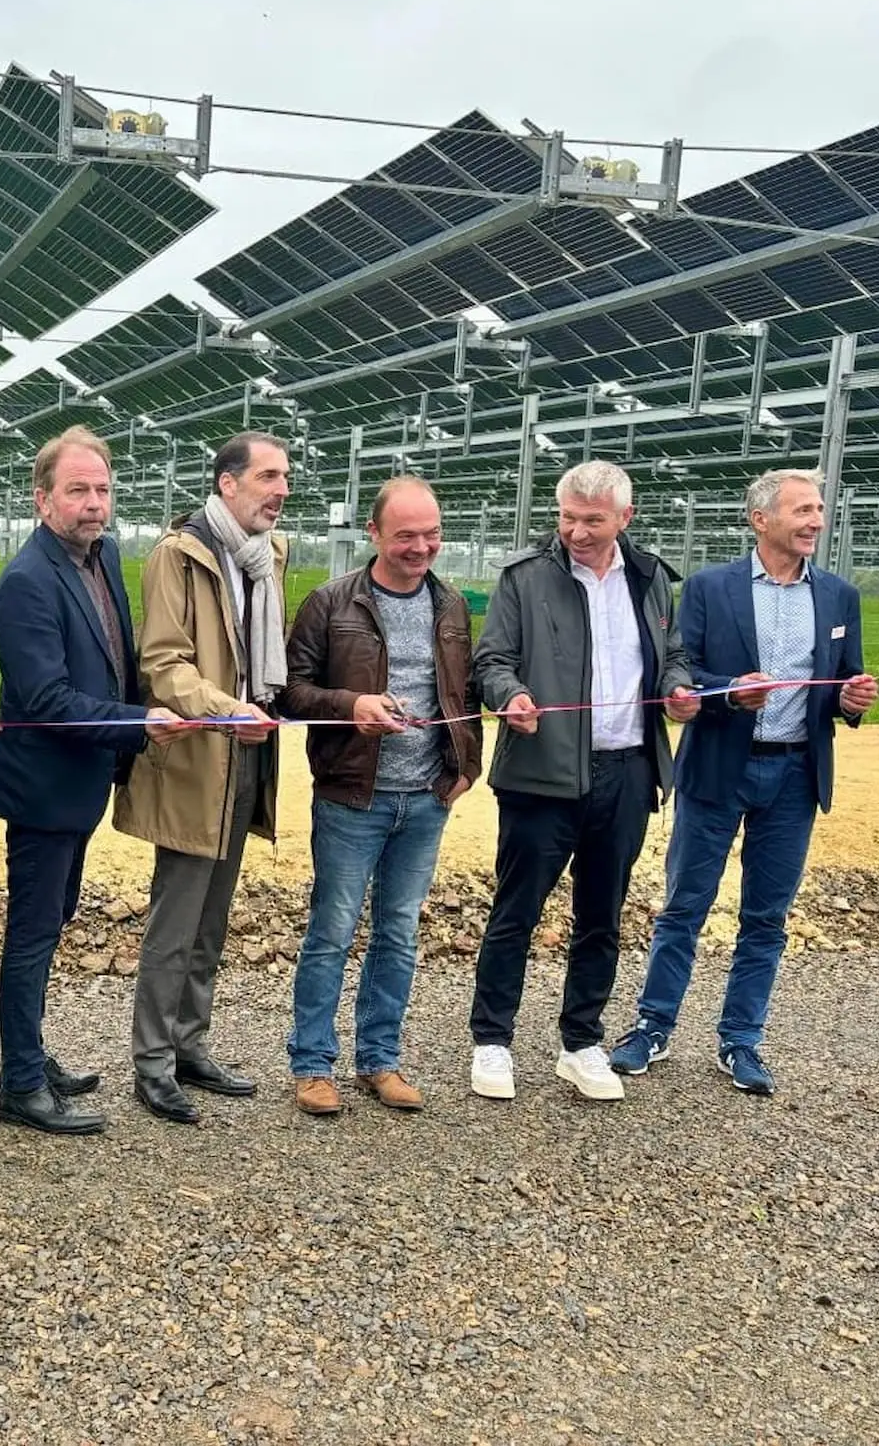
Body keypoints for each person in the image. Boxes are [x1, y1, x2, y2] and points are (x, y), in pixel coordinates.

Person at [610, 470, 877, 1095]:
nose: (815, 520)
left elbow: (842, 684)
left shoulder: (839, 595)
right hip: (720, 767)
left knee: (767, 916)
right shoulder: (708, 588)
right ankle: (653, 1025)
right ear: (761, 519)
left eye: (818, 510)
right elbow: (683, 670)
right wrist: (728, 693)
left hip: (794, 775)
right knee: (685, 905)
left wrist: (853, 698)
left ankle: (742, 1040)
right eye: (802, 510)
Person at [0, 425, 185, 1136]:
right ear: (43, 499)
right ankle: (19, 1083)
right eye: (78, 490)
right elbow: (45, 699)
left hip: (82, 783)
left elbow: (115, 657)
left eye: (102, 489)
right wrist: (139, 720)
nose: (94, 503)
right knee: (33, 933)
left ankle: (31, 1053)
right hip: (43, 788)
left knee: (55, 919)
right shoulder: (26, 581)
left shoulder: (101, 558)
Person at [467, 459, 699, 1104]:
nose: (575, 531)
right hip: (541, 774)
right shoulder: (524, 577)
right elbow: (492, 659)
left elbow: (672, 653)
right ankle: (492, 1041)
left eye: (591, 520)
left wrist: (677, 688)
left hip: (627, 772)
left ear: (624, 518)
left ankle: (581, 1042)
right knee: (516, 910)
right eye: (567, 517)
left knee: (601, 915)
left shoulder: (651, 578)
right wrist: (509, 694)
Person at [280, 477, 482, 1117]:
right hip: (352, 796)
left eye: (432, 534)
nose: (422, 547)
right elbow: (290, 692)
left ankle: (379, 1060)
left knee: (398, 933)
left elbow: (463, 693)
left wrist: (464, 767)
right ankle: (313, 1065)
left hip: (425, 798)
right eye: (407, 536)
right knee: (332, 931)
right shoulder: (331, 603)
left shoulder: (450, 607)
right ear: (374, 534)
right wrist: (350, 706)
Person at [113, 431, 289, 1125]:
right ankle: (152, 1062)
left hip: (246, 754)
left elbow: (258, 655)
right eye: (268, 476)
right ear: (227, 483)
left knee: (212, 919)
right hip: (196, 757)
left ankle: (192, 1044)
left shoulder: (266, 555)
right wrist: (225, 709)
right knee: (176, 919)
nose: (280, 490)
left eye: (285, 478)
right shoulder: (178, 554)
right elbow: (164, 662)